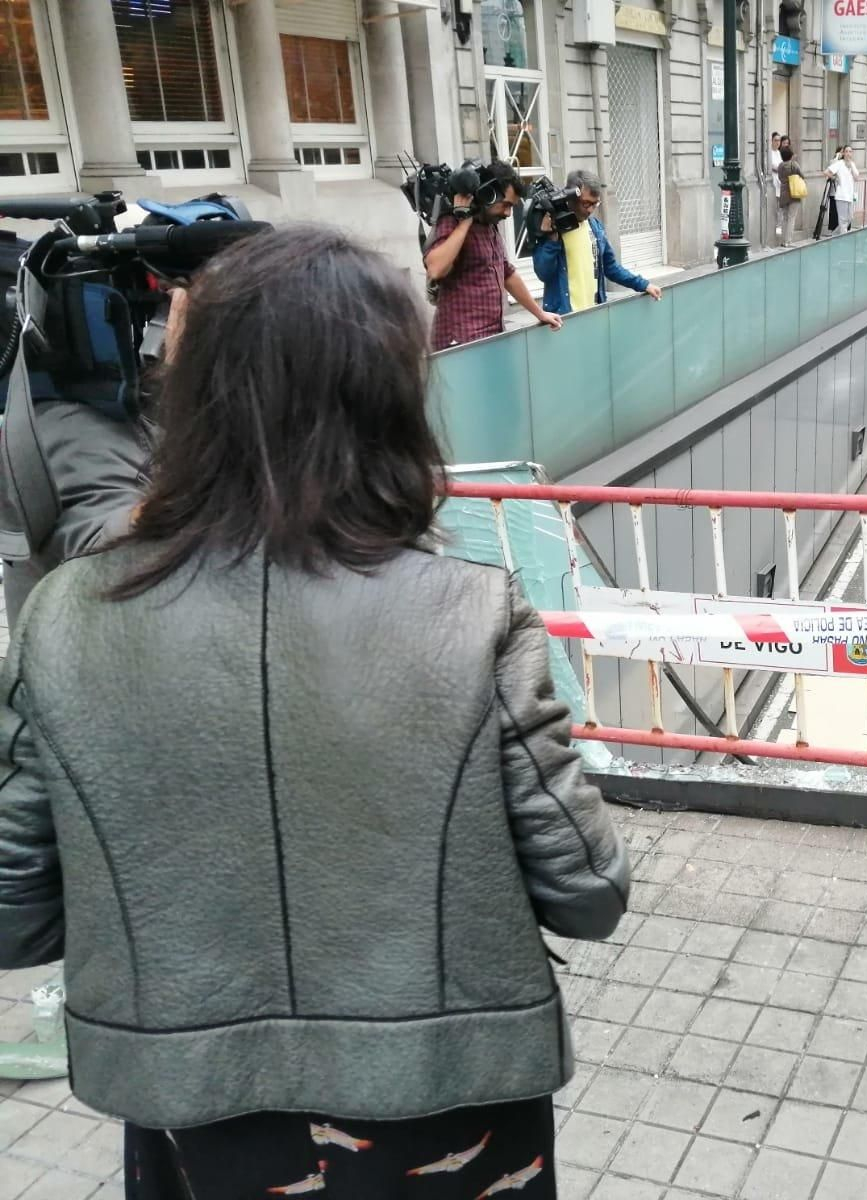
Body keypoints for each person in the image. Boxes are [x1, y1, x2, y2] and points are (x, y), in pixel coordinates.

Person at [0, 225, 630, 1197]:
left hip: (198, 1111)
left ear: (189, 395)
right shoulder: (470, 613)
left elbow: (14, 916)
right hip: (444, 1100)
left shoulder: (65, 619)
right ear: (389, 403)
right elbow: (588, 891)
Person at [426, 159, 562, 350]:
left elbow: (507, 273)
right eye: (505, 204)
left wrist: (540, 313)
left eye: (511, 207)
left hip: (491, 337)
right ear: (487, 193)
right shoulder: (452, 221)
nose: (508, 213)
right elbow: (435, 269)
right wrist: (464, 221)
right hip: (460, 344)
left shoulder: (490, 225)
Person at [532, 169, 663, 315]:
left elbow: (611, 267)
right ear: (571, 197)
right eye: (586, 203)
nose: (590, 210)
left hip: (594, 314)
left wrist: (643, 285)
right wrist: (552, 239)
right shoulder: (553, 229)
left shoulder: (595, 228)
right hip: (563, 318)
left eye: (595, 204)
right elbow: (543, 273)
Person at [824, 145, 863, 234]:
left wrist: (851, 166)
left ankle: (835, 235)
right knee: (843, 220)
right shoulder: (839, 163)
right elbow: (826, 172)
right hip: (841, 195)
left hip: (850, 196)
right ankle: (844, 238)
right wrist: (835, 178)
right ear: (843, 153)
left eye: (850, 151)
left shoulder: (852, 164)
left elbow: (856, 177)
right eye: (846, 151)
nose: (848, 153)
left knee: (850, 218)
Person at [776, 145, 804, 245]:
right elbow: (802, 175)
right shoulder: (794, 164)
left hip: (783, 193)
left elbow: (779, 177)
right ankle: (788, 240)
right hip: (794, 192)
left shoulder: (780, 166)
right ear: (791, 155)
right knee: (792, 217)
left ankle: (783, 240)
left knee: (785, 217)